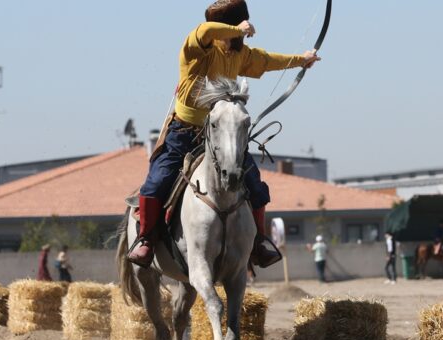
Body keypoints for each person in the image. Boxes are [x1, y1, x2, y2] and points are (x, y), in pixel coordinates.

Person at [128, 0, 321, 268]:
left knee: (253, 182)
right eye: (236, 26)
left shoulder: (240, 55)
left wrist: (302, 60)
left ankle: (259, 241)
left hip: (221, 137)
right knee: (156, 181)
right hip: (183, 133)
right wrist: (235, 29)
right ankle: (146, 240)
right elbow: (205, 31)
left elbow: (265, 61)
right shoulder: (198, 49)